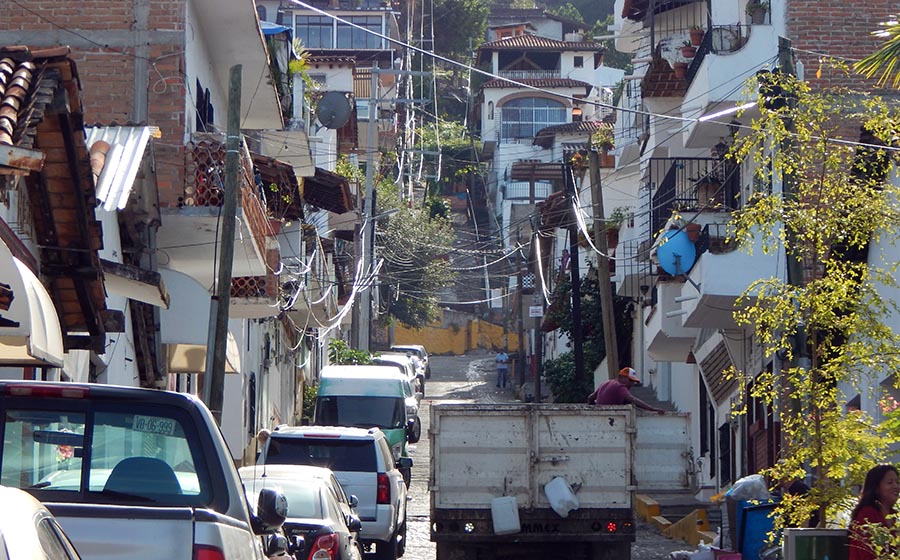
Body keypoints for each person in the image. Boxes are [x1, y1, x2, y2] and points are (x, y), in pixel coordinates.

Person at [849, 464, 900, 560]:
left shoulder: (895, 515)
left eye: (897, 482)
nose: (896, 486)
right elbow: (867, 553)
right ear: (876, 487)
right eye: (890, 482)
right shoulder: (866, 514)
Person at [587, 367, 666, 415]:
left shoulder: (605, 383)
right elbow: (632, 399)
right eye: (630, 380)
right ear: (622, 377)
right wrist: (652, 409)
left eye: (633, 381)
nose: (631, 384)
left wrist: (595, 408)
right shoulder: (620, 386)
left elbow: (590, 398)